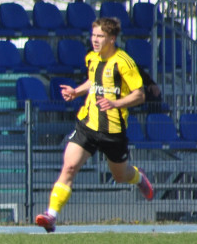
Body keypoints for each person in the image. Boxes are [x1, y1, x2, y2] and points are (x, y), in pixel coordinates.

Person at [35, 17, 154, 233]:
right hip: (87, 125)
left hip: (113, 131)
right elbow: (94, 81)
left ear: (112, 39)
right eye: (93, 35)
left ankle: (138, 177)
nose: (95, 40)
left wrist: (115, 103)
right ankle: (51, 215)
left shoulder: (124, 62)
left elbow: (139, 95)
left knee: (120, 176)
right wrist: (76, 91)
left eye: (100, 36)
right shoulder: (92, 57)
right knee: (69, 167)